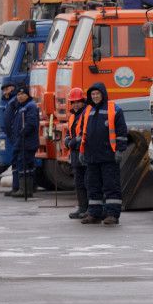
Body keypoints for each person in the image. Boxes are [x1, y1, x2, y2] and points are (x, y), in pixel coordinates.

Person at [80, 82, 128, 225]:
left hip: (109, 156)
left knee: (111, 185)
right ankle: (94, 214)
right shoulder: (87, 111)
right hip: (92, 156)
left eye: (97, 94)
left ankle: (113, 214)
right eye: (92, 94)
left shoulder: (115, 109)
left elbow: (121, 133)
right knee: (93, 186)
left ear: (103, 94)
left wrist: (120, 150)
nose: (95, 97)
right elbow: (83, 134)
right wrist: (82, 151)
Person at [6, 85, 40, 198]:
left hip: (27, 141)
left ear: (27, 95)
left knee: (23, 164)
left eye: (22, 94)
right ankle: (26, 190)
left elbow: (31, 123)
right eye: (18, 95)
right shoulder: (20, 107)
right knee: (25, 165)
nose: (20, 97)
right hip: (21, 141)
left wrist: (22, 132)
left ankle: (24, 190)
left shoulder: (30, 106)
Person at [63, 87, 89, 219]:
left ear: (83, 101)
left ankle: (89, 209)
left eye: (78, 101)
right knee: (79, 183)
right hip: (75, 156)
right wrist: (67, 141)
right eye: (73, 102)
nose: (76, 104)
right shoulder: (73, 116)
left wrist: (72, 142)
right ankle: (82, 208)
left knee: (87, 182)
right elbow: (69, 133)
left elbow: (84, 134)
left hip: (84, 154)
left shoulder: (87, 114)